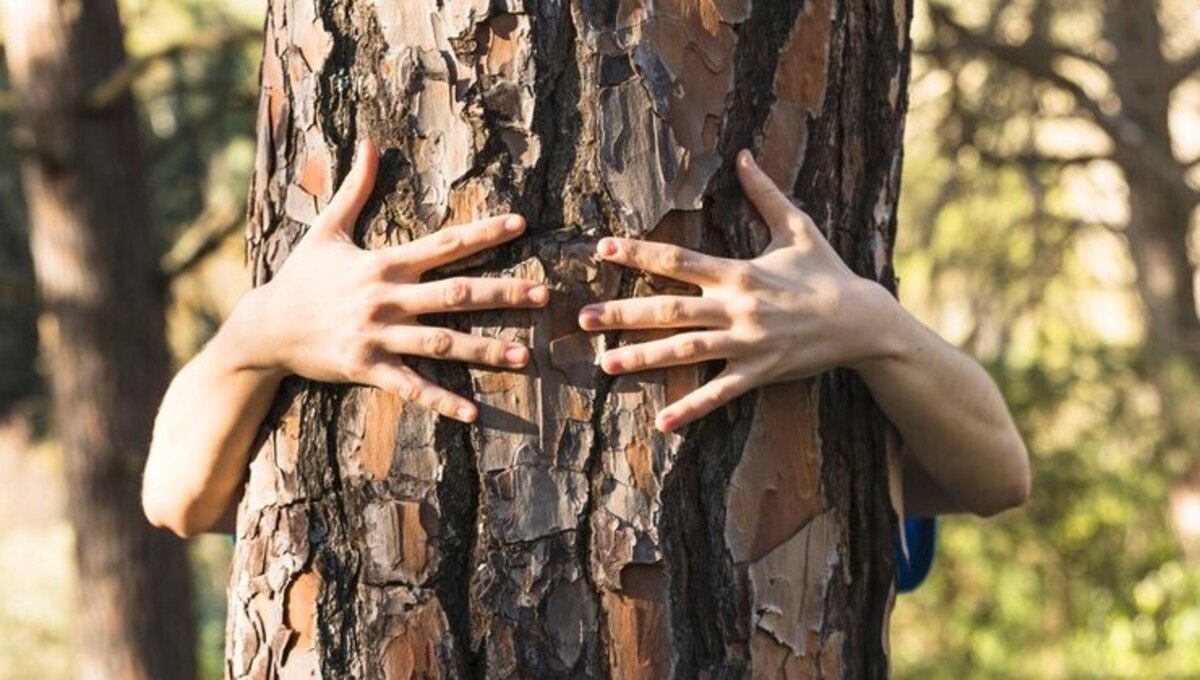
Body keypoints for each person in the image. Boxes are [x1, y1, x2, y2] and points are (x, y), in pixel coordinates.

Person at [142, 141, 1030, 588]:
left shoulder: (844, 377)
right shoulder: (291, 346)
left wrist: (871, 323)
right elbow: (177, 496)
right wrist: (262, 331)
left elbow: (997, 476)